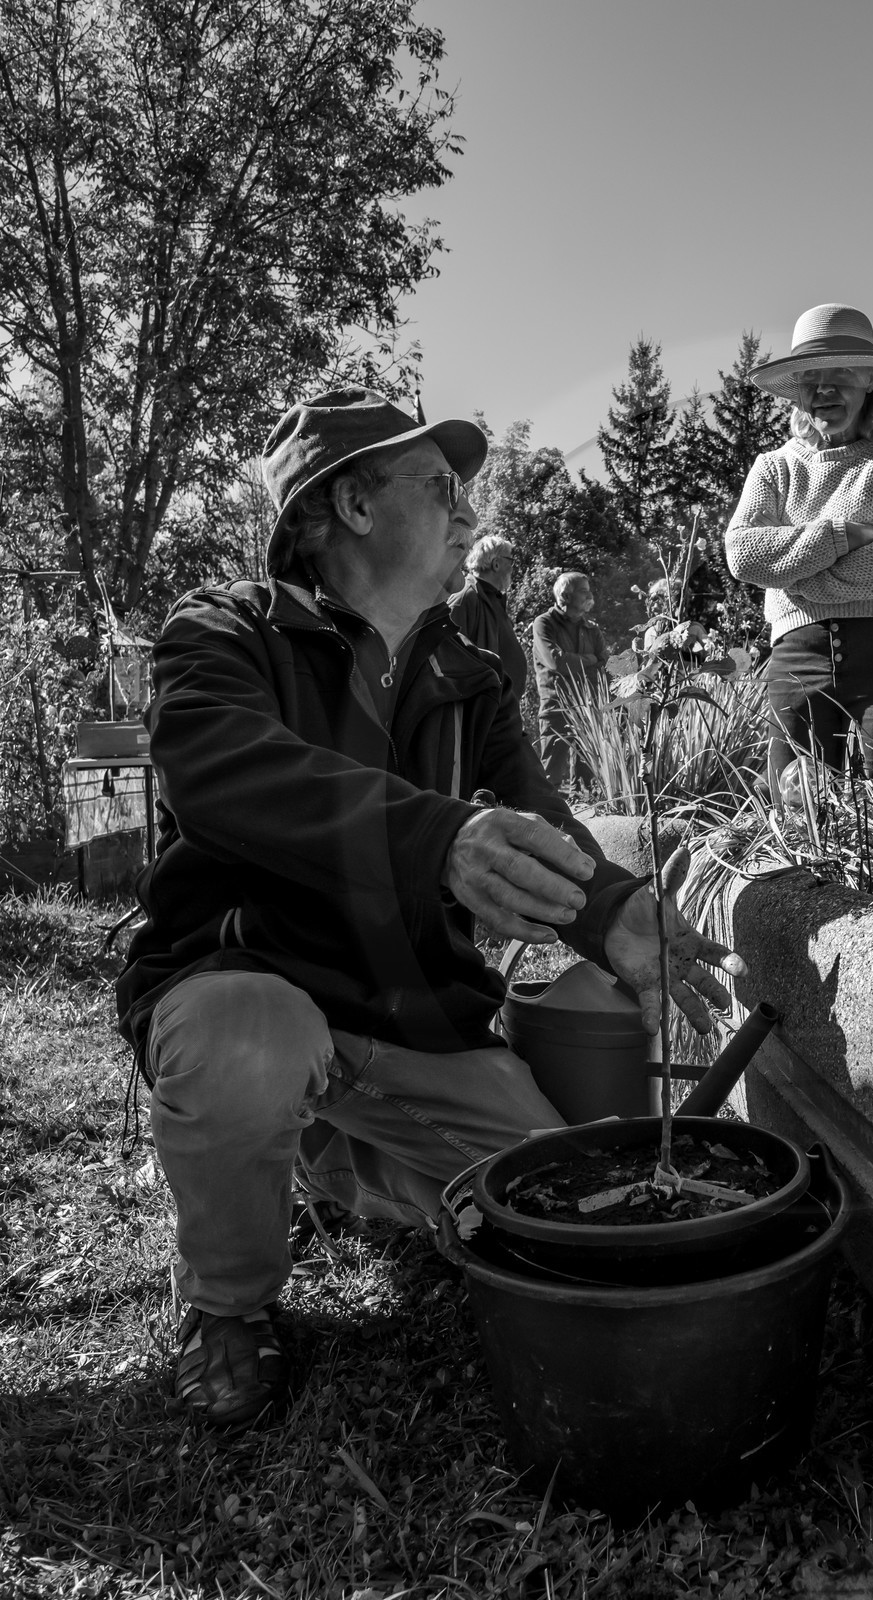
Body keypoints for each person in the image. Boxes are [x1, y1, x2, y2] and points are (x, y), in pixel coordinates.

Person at [117, 389, 743, 1427]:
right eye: (443, 488)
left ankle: (329, 1159)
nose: (468, 516)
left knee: (552, 1224)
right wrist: (438, 840)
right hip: (255, 984)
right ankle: (227, 1306)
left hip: (415, 1024)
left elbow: (537, 816)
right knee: (249, 1044)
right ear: (353, 507)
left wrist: (613, 908)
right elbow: (223, 772)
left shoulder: (469, 672)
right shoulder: (223, 632)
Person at [725, 304, 873, 794]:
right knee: (798, 815)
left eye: (840, 372)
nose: (823, 389)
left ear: (869, 382)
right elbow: (743, 554)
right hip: (796, 658)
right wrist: (841, 535)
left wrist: (791, 574)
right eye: (811, 377)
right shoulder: (773, 467)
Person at [531, 571, 608, 790]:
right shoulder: (544, 623)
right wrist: (590, 659)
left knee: (588, 781)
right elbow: (556, 662)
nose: (590, 595)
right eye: (584, 591)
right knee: (550, 777)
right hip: (556, 705)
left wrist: (585, 662)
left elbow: (604, 664)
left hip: (588, 707)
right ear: (566, 595)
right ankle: (548, 819)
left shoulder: (591, 629)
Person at [449, 532, 529, 720]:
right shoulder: (466, 597)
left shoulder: (491, 597)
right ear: (496, 563)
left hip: (499, 712)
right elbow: (450, 659)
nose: (512, 567)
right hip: (479, 715)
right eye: (511, 560)